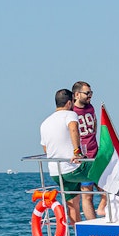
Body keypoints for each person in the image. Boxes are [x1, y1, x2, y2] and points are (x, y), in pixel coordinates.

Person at [39, 88, 86, 223]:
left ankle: (77, 235)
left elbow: (46, 148)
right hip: (72, 169)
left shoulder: (45, 123)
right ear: (69, 103)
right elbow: (73, 128)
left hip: (55, 171)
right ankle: (104, 208)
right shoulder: (70, 115)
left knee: (72, 205)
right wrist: (77, 151)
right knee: (103, 172)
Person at [71, 81, 102, 219]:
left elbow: (94, 126)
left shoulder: (90, 107)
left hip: (95, 154)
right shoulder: (71, 111)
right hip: (83, 157)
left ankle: (104, 213)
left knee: (105, 189)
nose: (90, 96)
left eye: (91, 93)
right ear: (77, 94)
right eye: (87, 93)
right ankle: (93, 225)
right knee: (87, 194)